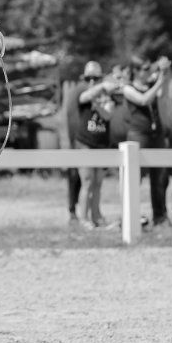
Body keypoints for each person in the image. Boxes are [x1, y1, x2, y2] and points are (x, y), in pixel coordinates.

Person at [116, 55, 170, 225]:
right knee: (134, 178)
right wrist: (160, 80)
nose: (149, 72)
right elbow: (144, 99)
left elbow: (158, 93)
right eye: (145, 69)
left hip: (155, 135)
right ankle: (130, 216)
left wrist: (163, 69)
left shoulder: (150, 85)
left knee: (159, 177)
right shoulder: (128, 89)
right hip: (138, 135)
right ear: (136, 72)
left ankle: (160, 216)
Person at [72, 61, 114, 229]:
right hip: (86, 143)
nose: (91, 81)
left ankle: (96, 216)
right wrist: (103, 86)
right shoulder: (84, 92)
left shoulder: (106, 97)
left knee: (98, 183)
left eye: (95, 78)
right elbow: (84, 98)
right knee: (87, 182)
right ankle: (83, 218)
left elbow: (108, 115)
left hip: (101, 144)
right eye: (88, 78)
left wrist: (98, 105)